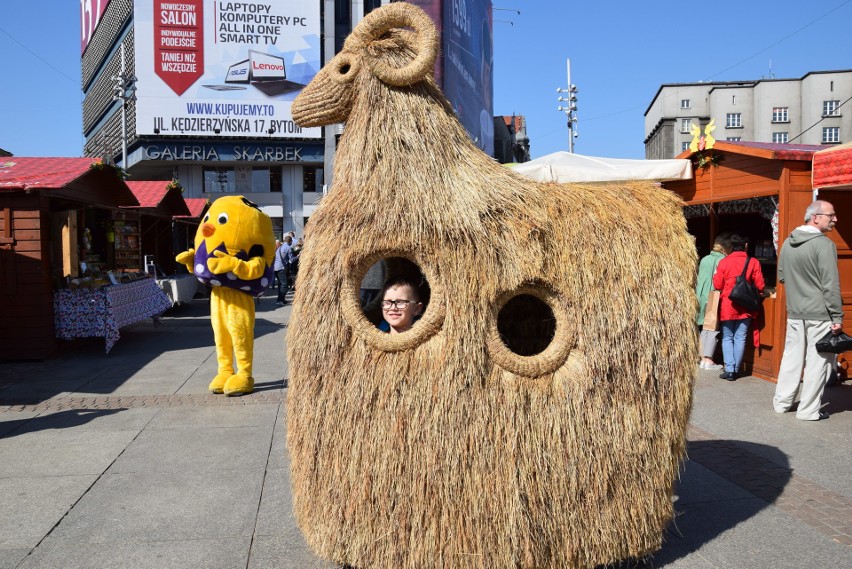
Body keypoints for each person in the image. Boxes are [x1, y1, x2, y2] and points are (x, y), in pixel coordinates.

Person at [773, 200, 842, 421]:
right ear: (815, 217)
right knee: (817, 363)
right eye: (830, 215)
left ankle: (782, 403)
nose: (834, 219)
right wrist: (837, 315)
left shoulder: (787, 242)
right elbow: (830, 285)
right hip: (819, 313)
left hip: (795, 310)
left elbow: (782, 276)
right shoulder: (824, 245)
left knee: (791, 358)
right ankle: (808, 410)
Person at [712, 234, 765, 380]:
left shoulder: (724, 262)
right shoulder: (753, 262)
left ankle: (729, 369)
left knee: (727, 337)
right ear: (746, 246)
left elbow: (717, 285)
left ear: (730, 247)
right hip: (746, 305)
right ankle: (736, 370)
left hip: (728, 305)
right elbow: (760, 285)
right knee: (740, 337)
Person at [696, 233, 732, 370]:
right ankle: (708, 359)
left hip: (701, 295)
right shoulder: (723, 261)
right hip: (714, 296)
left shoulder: (705, 259)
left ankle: (702, 358)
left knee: (704, 327)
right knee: (712, 328)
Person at [274, 235, 293, 306]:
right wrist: (298, 256)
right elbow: (292, 259)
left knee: (280, 284)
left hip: (275, 267)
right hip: (281, 268)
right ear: (290, 241)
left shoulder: (280, 247)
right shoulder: (288, 248)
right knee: (284, 284)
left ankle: (282, 299)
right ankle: (279, 300)